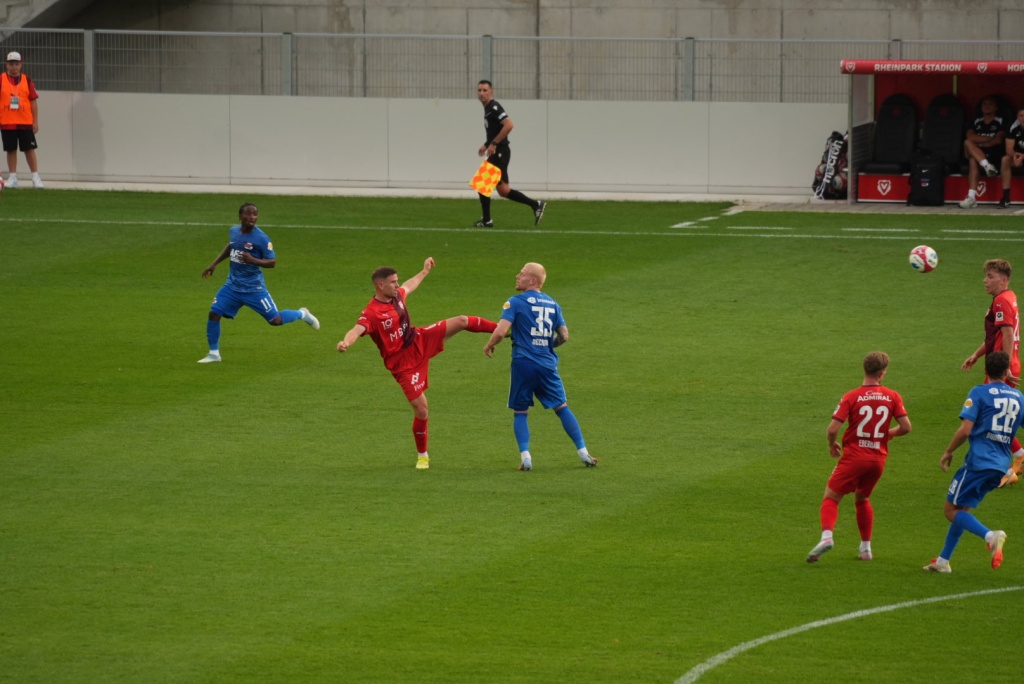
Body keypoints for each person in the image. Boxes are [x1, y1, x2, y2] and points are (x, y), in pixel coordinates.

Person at [337, 258, 498, 470]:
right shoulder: (372, 313)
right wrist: (346, 342)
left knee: (462, 321)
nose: (397, 285)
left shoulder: (397, 296)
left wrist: (424, 271)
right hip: (402, 364)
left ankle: (506, 330)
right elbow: (357, 329)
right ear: (380, 285)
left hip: (418, 339)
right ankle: (423, 455)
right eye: (393, 282)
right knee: (421, 409)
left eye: (397, 281)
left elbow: (409, 286)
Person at [483, 262, 597, 471]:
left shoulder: (515, 302)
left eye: (522, 273)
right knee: (561, 407)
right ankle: (583, 452)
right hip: (546, 365)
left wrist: (490, 344)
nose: (517, 275)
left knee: (520, 412)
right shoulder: (554, 304)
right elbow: (564, 335)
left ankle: (526, 458)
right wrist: (546, 345)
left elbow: (500, 332)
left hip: (523, 363)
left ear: (533, 280)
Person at [806, 352, 911, 563]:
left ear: (865, 370)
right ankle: (866, 549)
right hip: (877, 460)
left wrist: (831, 444)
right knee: (862, 498)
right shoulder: (892, 396)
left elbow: (832, 429)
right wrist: (886, 434)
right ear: (882, 374)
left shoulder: (851, 396)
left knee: (831, 497)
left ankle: (827, 537)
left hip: (854, 457)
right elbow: (906, 427)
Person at [924, 352, 1023, 573]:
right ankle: (943, 561)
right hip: (1001, 467)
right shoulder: (1018, 397)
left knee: (950, 510)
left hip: (978, 462)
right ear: (1007, 371)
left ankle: (991, 536)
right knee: (962, 509)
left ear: (986, 371)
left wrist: (948, 451)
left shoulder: (979, 392)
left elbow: (965, 430)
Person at [198, 202, 319, 363]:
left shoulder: (261, 238)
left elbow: (272, 262)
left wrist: (252, 259)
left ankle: (302, 314)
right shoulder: (234, 231)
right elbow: (231, 246)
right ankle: (214, 353)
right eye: (248, 214)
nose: (252, 218)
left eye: (255, 214)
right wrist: (214, 264)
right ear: (240, 216)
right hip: (232, 286)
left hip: (254, 288)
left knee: (275, 320)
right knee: (214, 312)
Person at [960, 259, 1024, 486]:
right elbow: (995, 336)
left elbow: (1007, 335)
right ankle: (1016, 458)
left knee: (989, 419)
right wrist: (976, 355)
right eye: (986, 276)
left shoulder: (1001, 302)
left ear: (1004, 279)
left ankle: (1009, 467)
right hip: (1003, 364)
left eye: (991, 276)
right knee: (997, 417)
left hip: (1001, 368)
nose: (985, 280)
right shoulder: (1008, 297)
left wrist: (1004, 368)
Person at [473, 80, 546, 228]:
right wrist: (486, 144)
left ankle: (487, 220)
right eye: (479, 90)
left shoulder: (494, 107)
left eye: (485, 90)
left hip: (500, 152)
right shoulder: (488, 109)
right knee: (503, 190)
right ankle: (536, 204)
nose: (481, 93)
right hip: (500, 151)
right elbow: (495, 131)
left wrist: (493, 144)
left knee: (482, 184)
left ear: (491, 91)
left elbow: (509, 124)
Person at [0, 51, 43, 189]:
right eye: (11, 64)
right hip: (7, 121)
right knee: (11, 149)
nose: (14, 67)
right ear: (7, 65)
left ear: (21, 64)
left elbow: (33, 102)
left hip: (25, 121)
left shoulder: (27, 80)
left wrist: (35, 121)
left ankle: (36, 177)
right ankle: (13, 177)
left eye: (16, 64)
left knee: (29, 148)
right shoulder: (1, 79)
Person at [959, 96, 1006, 209]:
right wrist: (989, 139)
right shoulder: (975, 121)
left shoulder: (1001, 121)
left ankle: (971, 197)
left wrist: (979, 142)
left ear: (995, 107)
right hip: (976, 150)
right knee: (967, 142)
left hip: (993, 153)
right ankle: (987, 166)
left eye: (990, 104)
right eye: (984, 104)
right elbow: (970, 136)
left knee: (973, 159)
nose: (986, 106)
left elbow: (998, 140)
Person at [997, 106, 1024, 208]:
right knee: (1005, 160)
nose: (1023, 118)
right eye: (1021, 116)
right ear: (1017, 117)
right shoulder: (1012, 126)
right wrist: (1015, 156)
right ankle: (1006, 198)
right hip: (1017, 156)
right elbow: (1009, 149)